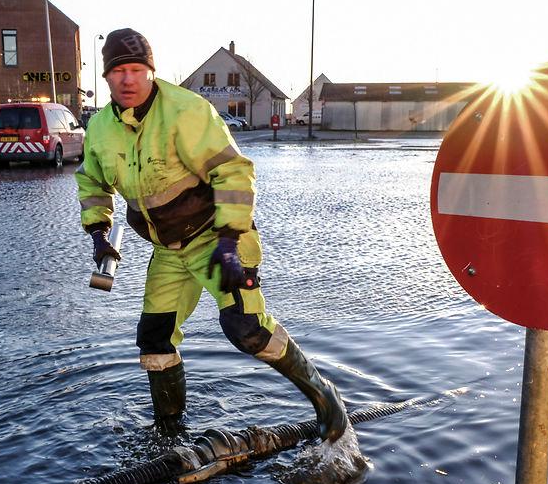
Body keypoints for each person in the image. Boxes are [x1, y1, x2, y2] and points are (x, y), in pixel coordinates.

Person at [75, 28, 348, 443]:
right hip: (168, 250)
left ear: (151, 72)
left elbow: (234, 173)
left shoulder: (187, 111)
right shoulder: (99, 129)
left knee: (247, 329)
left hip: (217, 237)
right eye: (118, 72)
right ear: (106, 77)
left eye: (136, 70)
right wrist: (98, 231)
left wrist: (229, 241)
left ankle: (325, 398)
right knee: (154, 338)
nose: (128, 80)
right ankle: (169, 435)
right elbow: (92, 182)